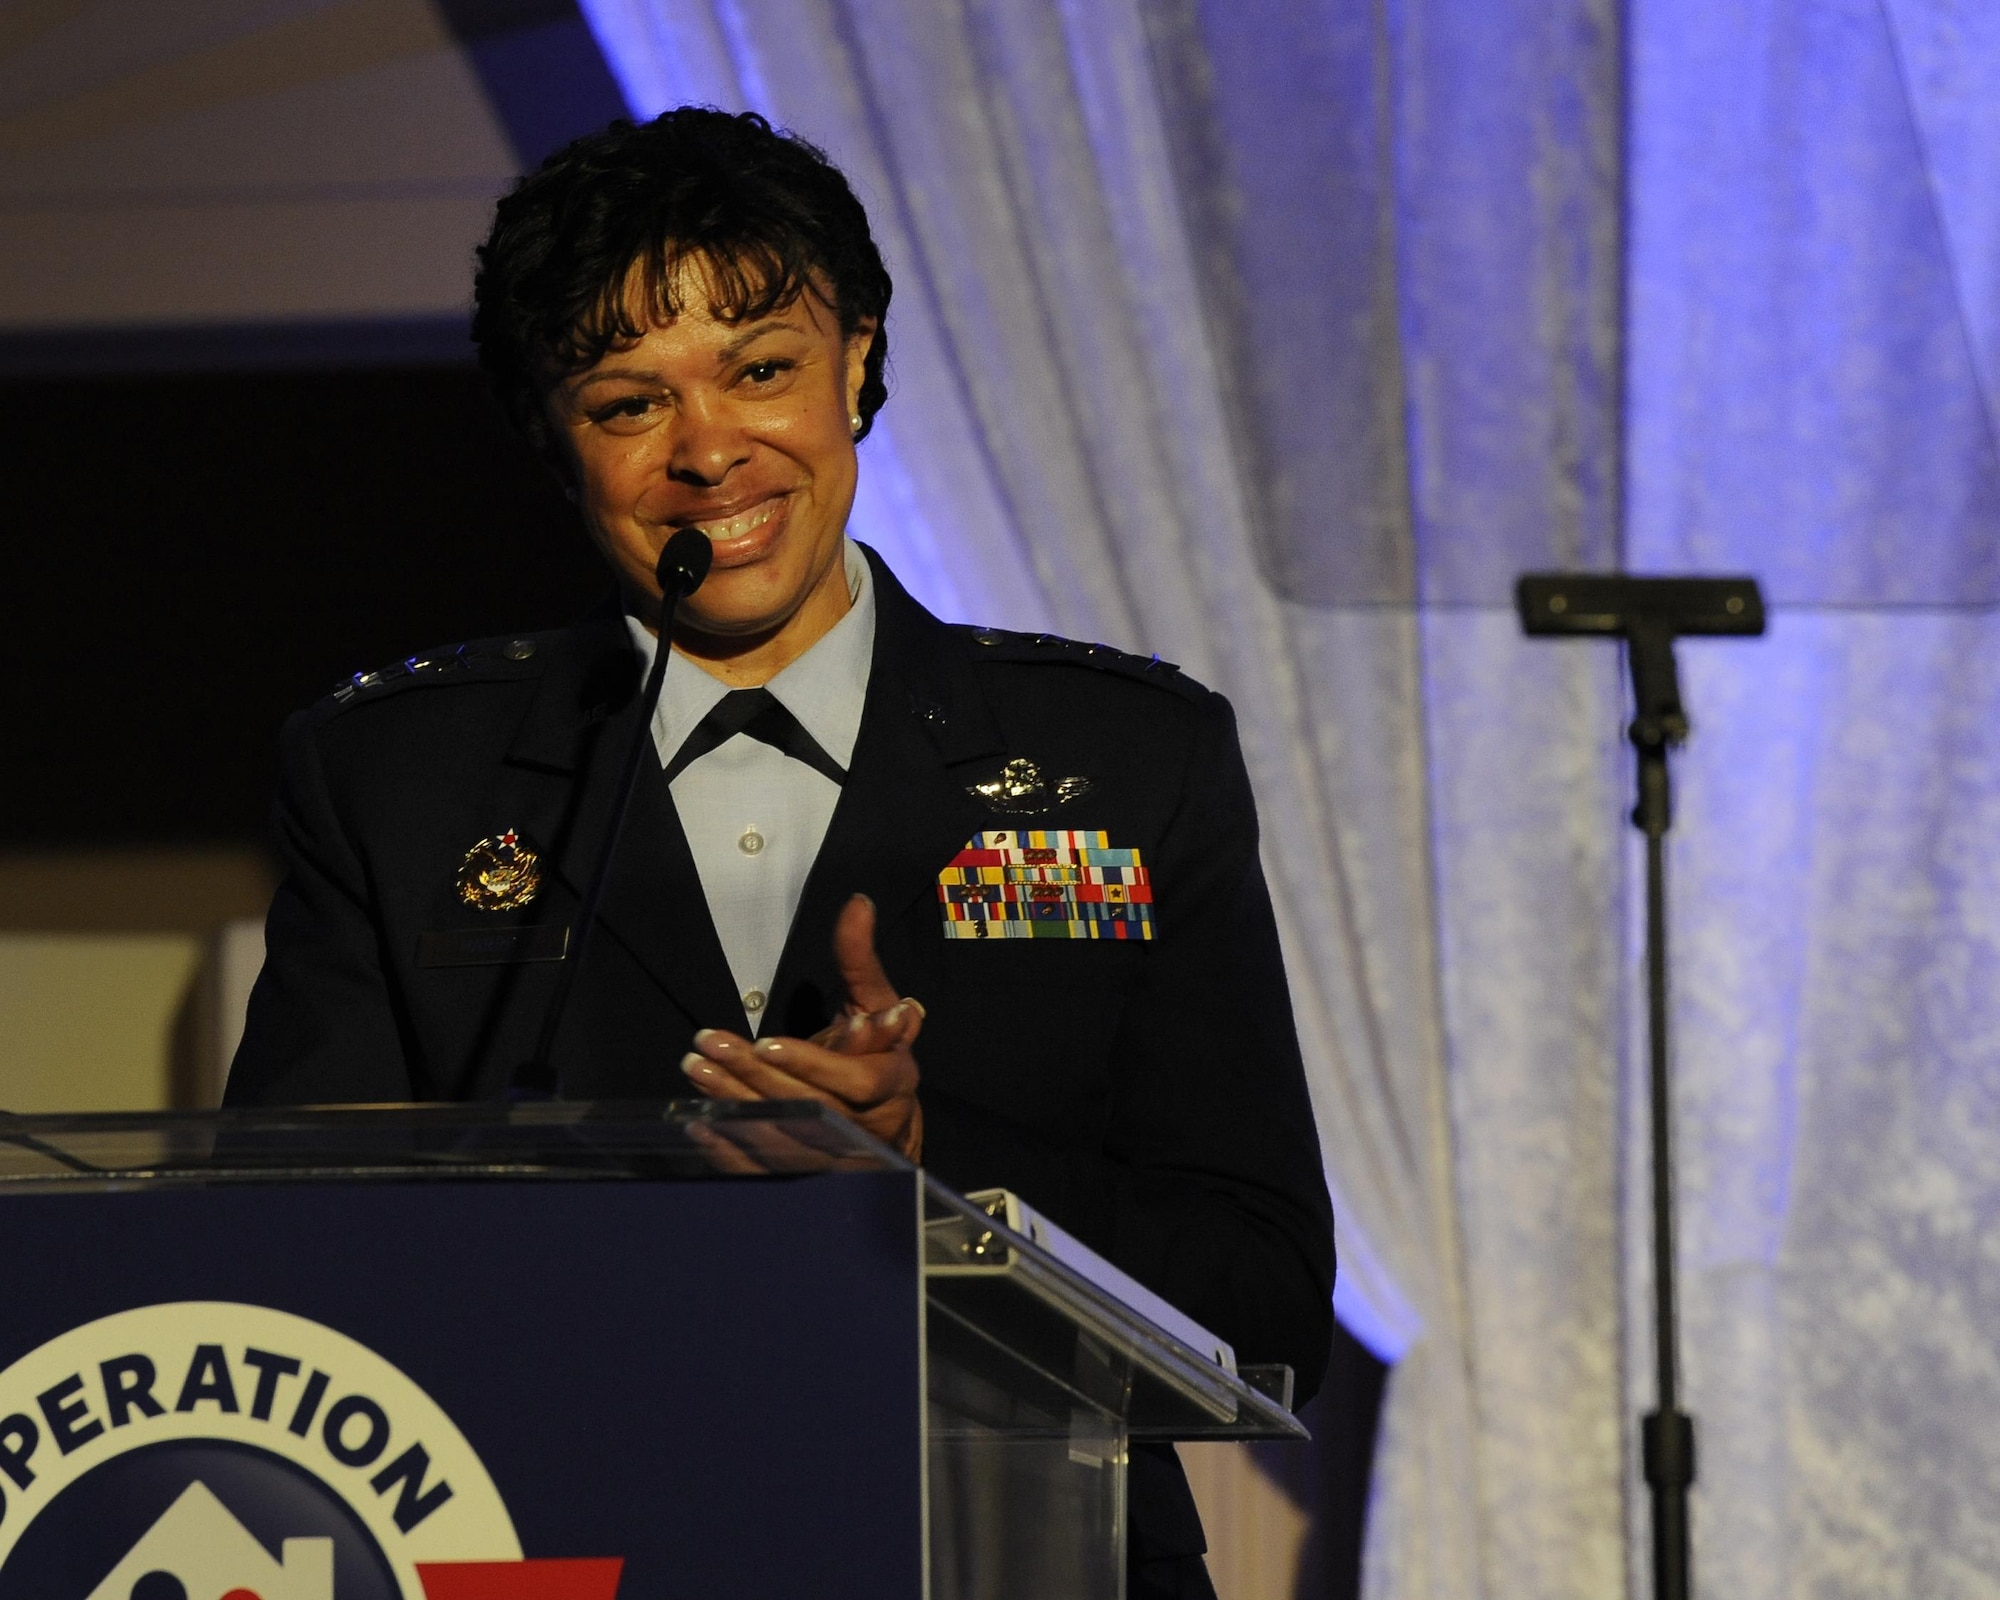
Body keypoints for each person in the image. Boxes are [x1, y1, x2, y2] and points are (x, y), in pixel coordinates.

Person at [226, 107, 1333, 1599]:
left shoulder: (1129, 764)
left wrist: (935, 1176)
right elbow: (284, 1273)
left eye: (762, 369)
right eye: (628, 403)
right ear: (550, 434)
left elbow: (1264, 1299)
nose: (709, 450)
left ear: (857, 362)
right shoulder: (399, 780)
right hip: (572, 1546)